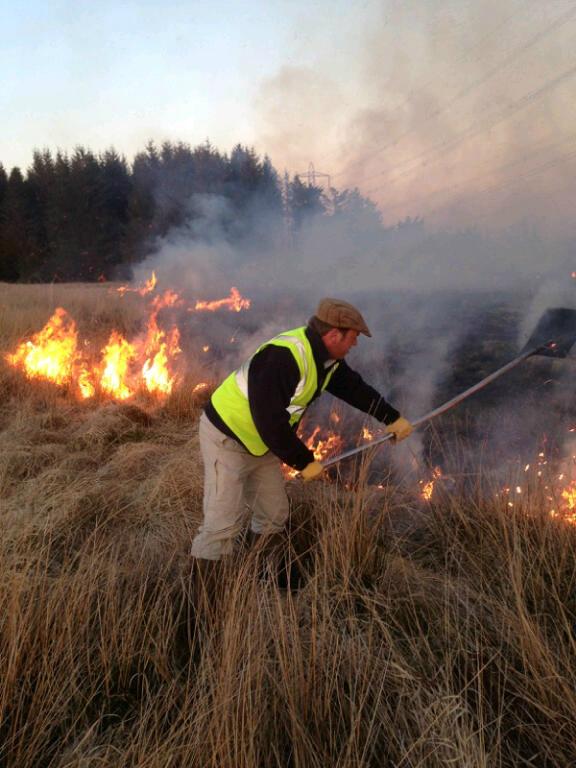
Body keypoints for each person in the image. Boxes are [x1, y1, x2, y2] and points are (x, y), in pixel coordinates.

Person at [191, 297, 413, 561]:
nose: (354, 344)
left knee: (273, 515)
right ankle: (206, 586)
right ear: (333, 335)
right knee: (221, 525)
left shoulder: (328, 361)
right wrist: (304, 462)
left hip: (261, 444)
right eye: (353, 338)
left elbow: (355, 389)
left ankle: (260, 574)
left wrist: (391, 418)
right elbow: (270, 421)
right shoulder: (284, 357)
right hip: (227, 437)